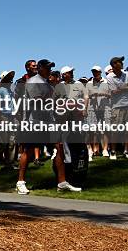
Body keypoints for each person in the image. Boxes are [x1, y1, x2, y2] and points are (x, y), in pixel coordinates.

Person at [17, 59, 81, 194]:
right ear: (39, 68)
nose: (49, 70)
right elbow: (37, 101)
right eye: (47, 68)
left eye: (50, 68)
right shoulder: (33, 82)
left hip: (48, 122)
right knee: (28, 152)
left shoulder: (48, 84)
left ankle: (62, 183)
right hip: (34, 122)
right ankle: (20, 182)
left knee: (59, 148)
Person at [106, 56, 128, 160]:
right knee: (115, 130)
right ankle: (113, 151)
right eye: (119, 62)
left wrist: (122, 88)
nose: (122, 63)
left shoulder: (126, 74)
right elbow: (114, 91)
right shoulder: (109, 77)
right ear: (114, 64)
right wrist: (126, 87)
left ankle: (126, 151)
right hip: (117, 106)